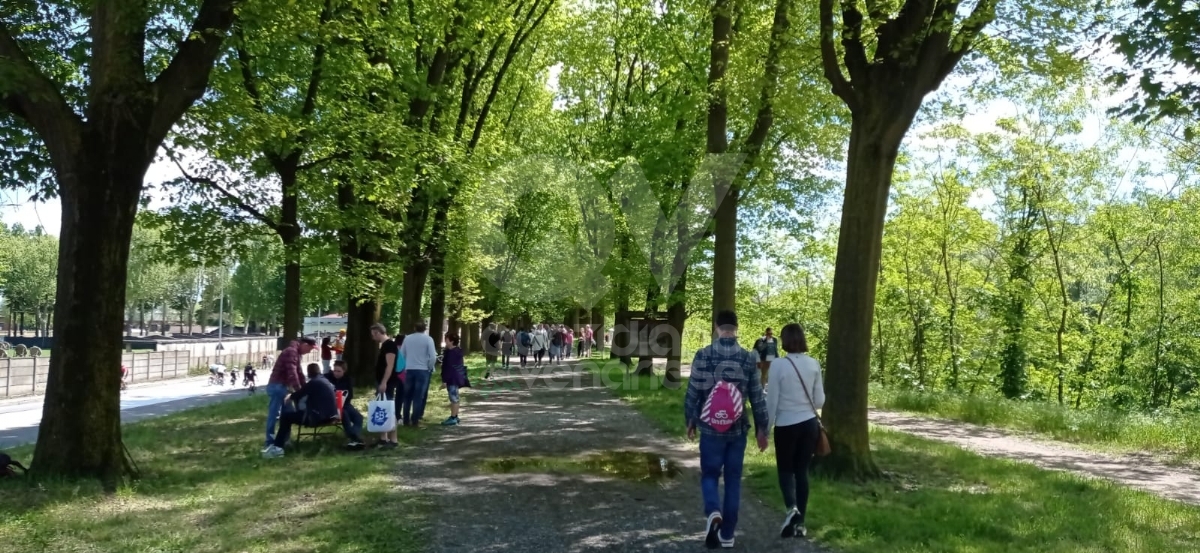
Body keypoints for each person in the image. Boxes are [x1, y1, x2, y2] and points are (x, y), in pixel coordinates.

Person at [684, 310, 768, 549]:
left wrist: (690, 419)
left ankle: (713, 511)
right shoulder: (748, 357)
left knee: (709, 475)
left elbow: (693, 391)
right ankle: (728, 534)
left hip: (710, 428)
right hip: (737, 428)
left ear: (716, 327)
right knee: (733, 480)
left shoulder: (704, 354)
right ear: (737, 328)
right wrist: (763, 427)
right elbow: (757, 397)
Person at [766, 323, 824, 539]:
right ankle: (800, 524)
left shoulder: (778, 365)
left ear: (784, 340)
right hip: (809, 424)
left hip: (786, 425)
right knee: (802, 472)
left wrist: (765, 428)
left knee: (785, 471)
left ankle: (791, 509)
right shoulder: (814, 364)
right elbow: (819, 400)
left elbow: (771, 401)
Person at [262, 363, 338, 459]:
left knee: (286, 417)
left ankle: (278, 448)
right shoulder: (324, 381)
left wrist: (290, 396)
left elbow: (300, 393)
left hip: (317, 417)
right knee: (290, 416)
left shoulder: (314, 383)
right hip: (329, 416)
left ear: (309, 373)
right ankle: (281, 443)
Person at [264, 337, 317, 451]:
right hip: (278, 386)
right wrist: (299, 390)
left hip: (284, 388)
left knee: (288, 415)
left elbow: (299, 373)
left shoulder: (296, 353)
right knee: (275, 415)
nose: (309, 351)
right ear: (305, 344)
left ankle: (283, 441)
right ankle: (270, 442)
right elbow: (292, 373)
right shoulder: (291, 352)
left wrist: (306, 388)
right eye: (310, 349)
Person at [398, 321, 438, 427]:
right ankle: (415, 420)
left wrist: (405, 365)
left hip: (409, 369)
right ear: (425, 329)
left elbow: (402, 354)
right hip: (423, 370)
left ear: (414, 328)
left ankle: (405, 420)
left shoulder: (407, 338)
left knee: (407, 396)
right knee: (418, 396)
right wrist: (429, 367)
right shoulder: (428, 339)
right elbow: (433, 357)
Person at [371, 324, 401, 449]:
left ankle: (393, 439)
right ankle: (383, 438)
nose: (372, 337)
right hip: (382, 381)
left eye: (373, 334)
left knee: (389, 410)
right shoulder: (385, 345)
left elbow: (390, 365)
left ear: (378, 332)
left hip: (387, 383)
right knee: (382, 408)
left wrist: (384, 382)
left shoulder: (389, 345)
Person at [326, 359, 365, 450]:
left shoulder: (347, 380)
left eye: (339, 371)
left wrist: (343, 399)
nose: (336, 373)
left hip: (345, 403)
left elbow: (350, 395)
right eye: (335, 370)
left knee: (358, 417)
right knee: (344, 415)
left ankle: (354, 436)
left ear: (344, 371)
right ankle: (355, 438)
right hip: (333, 405)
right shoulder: (328, 378)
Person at [439, 333, 469, 426]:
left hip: (452, 379)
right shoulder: (457, 351)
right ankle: (455, 416)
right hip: (456, 377)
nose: (445, 341)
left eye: (446, 340)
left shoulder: (451, 353)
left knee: (453, 398)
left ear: (451, 341)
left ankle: (453, 417)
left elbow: (448, 368)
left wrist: (445, 381)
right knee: (455, 397)